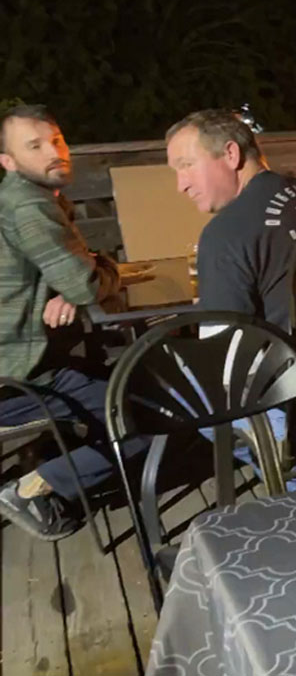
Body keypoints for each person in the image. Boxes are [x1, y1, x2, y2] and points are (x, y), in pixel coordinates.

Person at [166, 109, 296, 486]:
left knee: (181, 388)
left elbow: (225, 363)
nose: (181, 185)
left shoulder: (225, 233)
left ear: (230, 154)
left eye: (187, 165)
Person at [0, 105, 147, 540]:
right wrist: (101, 272)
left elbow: (74, 274)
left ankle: (55, 459)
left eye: (57, 140)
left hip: (24, 362)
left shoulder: (28, 197)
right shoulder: (28, 206)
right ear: (8, 161)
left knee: (124, 381)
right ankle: (32, 489)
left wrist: (69, 282)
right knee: (147, 414)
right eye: (34, 146)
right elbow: (86, 283)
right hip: (16, 378)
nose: (54, 152)